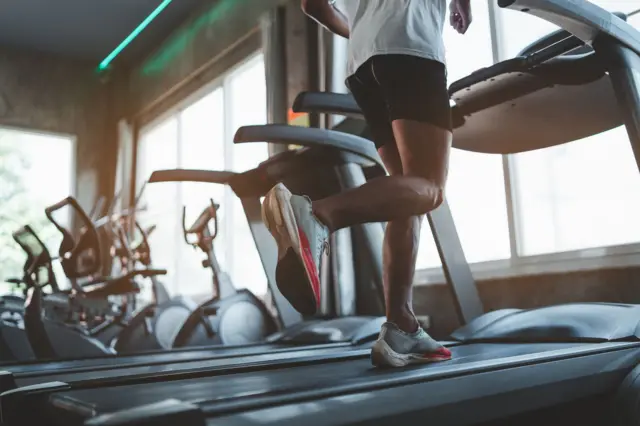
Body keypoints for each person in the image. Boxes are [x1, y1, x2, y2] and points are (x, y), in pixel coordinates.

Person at [261, 0, 472, 368]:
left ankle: (400, 325)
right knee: (430, 189)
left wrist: (362, 30)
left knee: (406, 193)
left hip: (362, 61)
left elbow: (312, 5)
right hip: (411, 44)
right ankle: (318, 215)